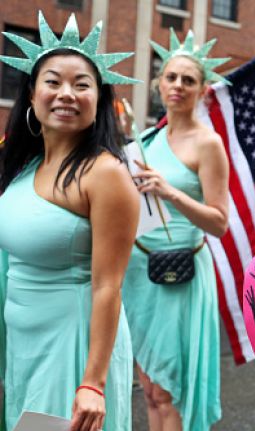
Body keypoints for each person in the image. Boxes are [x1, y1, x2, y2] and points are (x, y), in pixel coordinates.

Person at [0, 12, 140, 430]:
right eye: (53, 81)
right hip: (23, 343)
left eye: (82, 85)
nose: (67, 94)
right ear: (31, 94)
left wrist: (93, 383)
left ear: (99, 100)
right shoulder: (23, 167)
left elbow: (109, 285)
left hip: (73, 345)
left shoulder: (106, 174)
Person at [122, 29, 229, 431]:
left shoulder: (208, 144)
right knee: (149, 389)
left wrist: (170, 192)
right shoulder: (144, 140)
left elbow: (219, 222)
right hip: (138, 273)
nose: (178, 85)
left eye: (188, 79)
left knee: (170, 391)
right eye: (171, 77)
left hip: (179, 275)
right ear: (159, 83)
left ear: (203, 89)